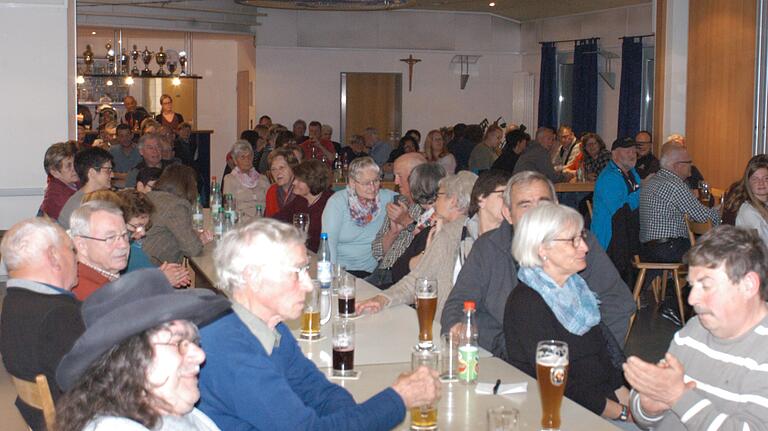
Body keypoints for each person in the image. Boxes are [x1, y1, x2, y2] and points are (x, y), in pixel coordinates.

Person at [197, 219, 441, 430]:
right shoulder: (231, 351)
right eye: (296, 273)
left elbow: (320, 394)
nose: (308, 284)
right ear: (252, 276)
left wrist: (354, 421)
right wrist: (399, 398)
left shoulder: (271, 327)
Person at [440, 171, 635, 357]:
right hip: (502, 359)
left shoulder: (579, 246)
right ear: (508, 214)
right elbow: (458, 307)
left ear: (556, 206)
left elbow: (618, 303)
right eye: (525, 205)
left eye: (544, 203)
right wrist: (503, 344)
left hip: (569, 359)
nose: (536, 212)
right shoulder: (488, 247)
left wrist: (594, 356)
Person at [624, 226, 768, 430]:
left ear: (748, 285)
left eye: (706, 285)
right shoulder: (694, 329)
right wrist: (649, 408)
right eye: (692, 286)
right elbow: (647, 417)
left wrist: (678, 397)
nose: (691, 299)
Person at [55, 269, 231, 431]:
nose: (200, 355)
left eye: (194, 341)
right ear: (130, 360)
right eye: (179, 343)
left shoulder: (179, 411)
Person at [504, 203, 632, 423]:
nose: (584, 247)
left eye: (581, 237)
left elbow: (604, 357)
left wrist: (631, 406)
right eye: (573, 240)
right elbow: (559, 384)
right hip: (566, 412)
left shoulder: (577, 290)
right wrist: (621, 413)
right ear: (542, 248)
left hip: (603, 403)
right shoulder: (526, 304)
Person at [0, 218, 84, 431]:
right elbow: (96, 385)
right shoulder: (60, 315)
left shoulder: (12, 301)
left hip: (41, 420)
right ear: (54, 257)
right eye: (72, 249)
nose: (78, 258)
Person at [356, 171, 477, 316]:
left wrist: (382, 300)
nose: (435, 202)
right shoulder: (470, 228)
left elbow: (417, 280)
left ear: (453, 201)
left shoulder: (447, 234)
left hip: (441, 320)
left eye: (438, 196)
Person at [639, 141, 720, 264]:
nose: (691, 165)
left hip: (648, 248)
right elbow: (703, 217)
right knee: (716, 251)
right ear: (677, 166)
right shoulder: (675, 185)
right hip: (668, 248)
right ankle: (698, 283)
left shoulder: (652, 181)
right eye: (689, 162)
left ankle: (686, 282)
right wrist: (720, 211)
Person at [321, 156, 396, 277]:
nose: (372, 188)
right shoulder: (337, 203)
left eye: (376, 181)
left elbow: (413, 200)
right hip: (342, 271)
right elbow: (329, 246)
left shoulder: (386, 198)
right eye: (366, 183)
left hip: (374, 273)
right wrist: (331, 278)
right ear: (352, 182)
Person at [367, 152, 427, 287]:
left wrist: (407, 221)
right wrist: (393, 233)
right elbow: (378, 252)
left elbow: (427, 245)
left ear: (415, 177)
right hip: (381, 273)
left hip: (403, 280)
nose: (395, 182)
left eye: (399, 176)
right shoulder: (399, 202)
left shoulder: (429, 207)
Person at [116, 189, 191, 287]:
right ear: (118, 223)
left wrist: (168, 274)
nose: (142, 233)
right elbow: (125, 290)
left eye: (145, 226)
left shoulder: (134, 245)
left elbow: (143, 274)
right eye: (136, 226)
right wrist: (162, 279)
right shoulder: (118, 253)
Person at [591, 137, 641, 283]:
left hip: (626, 235)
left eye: (634, 151)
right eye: (628, 151)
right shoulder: (609, 177)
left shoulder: (631, 172)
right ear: (615, 155)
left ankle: (637, 289)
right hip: (610, 240)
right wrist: (643, 192)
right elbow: (621, 209)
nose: (632, 154)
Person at [143, 164, 212, 264]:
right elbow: (192, 249)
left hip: (140, 260)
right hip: (155, 267)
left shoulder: (150, 196)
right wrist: (200, 241)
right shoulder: (176, 205)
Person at [69, 200, 130, 300]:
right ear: (81, 245)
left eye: (124, 235)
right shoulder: (85, 292)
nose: (123, 245)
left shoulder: (107, 279)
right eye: (110, 238)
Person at [272, 159, 333, 252]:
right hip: (298, 250)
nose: (294, 183)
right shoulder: (301, 200)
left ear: (312, 181)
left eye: (299, 180)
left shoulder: (330, 202)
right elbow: (278, 218)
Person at [58, 147, 114, 229]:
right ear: (92, 172)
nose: (112, 175)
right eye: (107, 170)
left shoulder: (95, 198)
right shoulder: (82, 205)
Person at [720, 155, 768, 244]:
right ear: (747, 182)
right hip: (744, 255)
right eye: (755, 179)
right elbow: (763, 246)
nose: (761, 183)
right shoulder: (748, 211)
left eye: (766, 178)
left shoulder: (763, 204)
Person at [222, 140, 270, 223]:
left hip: (263, 222)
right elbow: (229, 207)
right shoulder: (229, 179)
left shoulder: (263, 179)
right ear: (235, 160)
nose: (247, 159)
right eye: (242, 157)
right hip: (242, 223)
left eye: (249, 156)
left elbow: (271, 203)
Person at [40, 141, 79, 220]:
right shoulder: (55, 197)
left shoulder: (74, 183)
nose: (74, 168)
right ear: (54, 172)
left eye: (74, 163)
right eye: (68, 166)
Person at [264, 146, 300, 217]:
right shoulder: (272, 191)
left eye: (281, 167)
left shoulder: (302, 189)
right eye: (273, 169)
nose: (277, 173)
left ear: (292, 167)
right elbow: (269, 221)